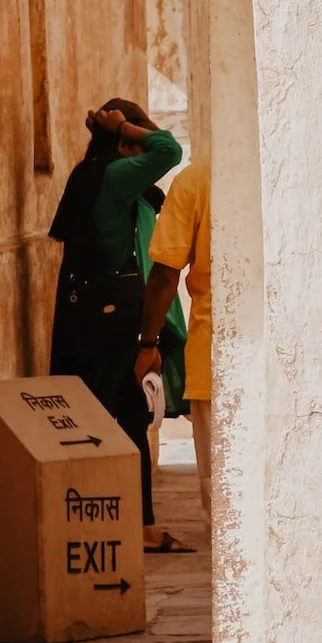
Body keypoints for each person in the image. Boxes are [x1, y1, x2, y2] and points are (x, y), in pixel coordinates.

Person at [48, 97, 188, 554]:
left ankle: (137, 524)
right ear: (126, 141)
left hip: (85, 311)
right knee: (111, 419)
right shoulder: (113, 175)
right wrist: (131, 128)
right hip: (109, 316)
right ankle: (100, 524)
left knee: (118, 416)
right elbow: (169, 150)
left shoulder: (90, 175)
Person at [137, 156, 212, 522]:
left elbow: (165, 274)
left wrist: (147, 343)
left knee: (222, 492)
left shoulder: (197, 179)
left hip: (215, 355)